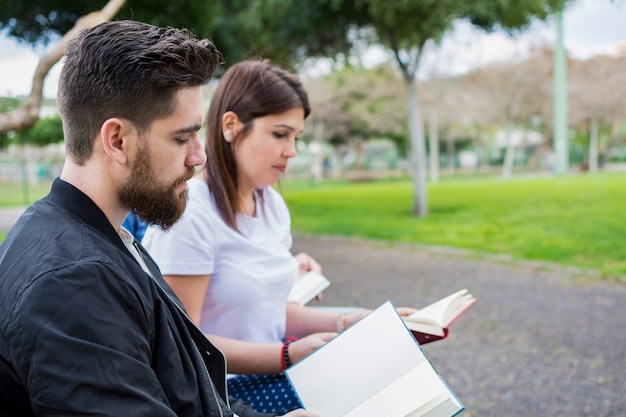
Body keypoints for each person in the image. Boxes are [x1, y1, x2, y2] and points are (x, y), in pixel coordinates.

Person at [0, 21, 316, 417]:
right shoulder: (73, 284)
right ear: (117, 141)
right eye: (182, 138)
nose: (199, 156)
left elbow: (188, 385)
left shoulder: (101, 235)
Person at [142, 59, 416, 414]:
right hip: (221, 395)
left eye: (296, 137)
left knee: (399, 375)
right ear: (231, 126)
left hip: (275, 374)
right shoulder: (191, 213)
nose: (292, 151)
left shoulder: (270, 204)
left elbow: (270, 313)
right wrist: (285, 355)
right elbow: (183, 344)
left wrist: (355, 321)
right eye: (279, 134)